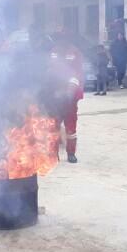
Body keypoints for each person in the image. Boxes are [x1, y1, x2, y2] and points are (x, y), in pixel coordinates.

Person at [49, 33, 85, 163]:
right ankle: (53, 154)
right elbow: (51, 70)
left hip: (70, 97)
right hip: (55, 96)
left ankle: (71, 153)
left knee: (71, 126)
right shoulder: (54, 52)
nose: (61, 42)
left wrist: (70, 91)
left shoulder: (75, 53)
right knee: (54, 126)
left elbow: (78, 73)